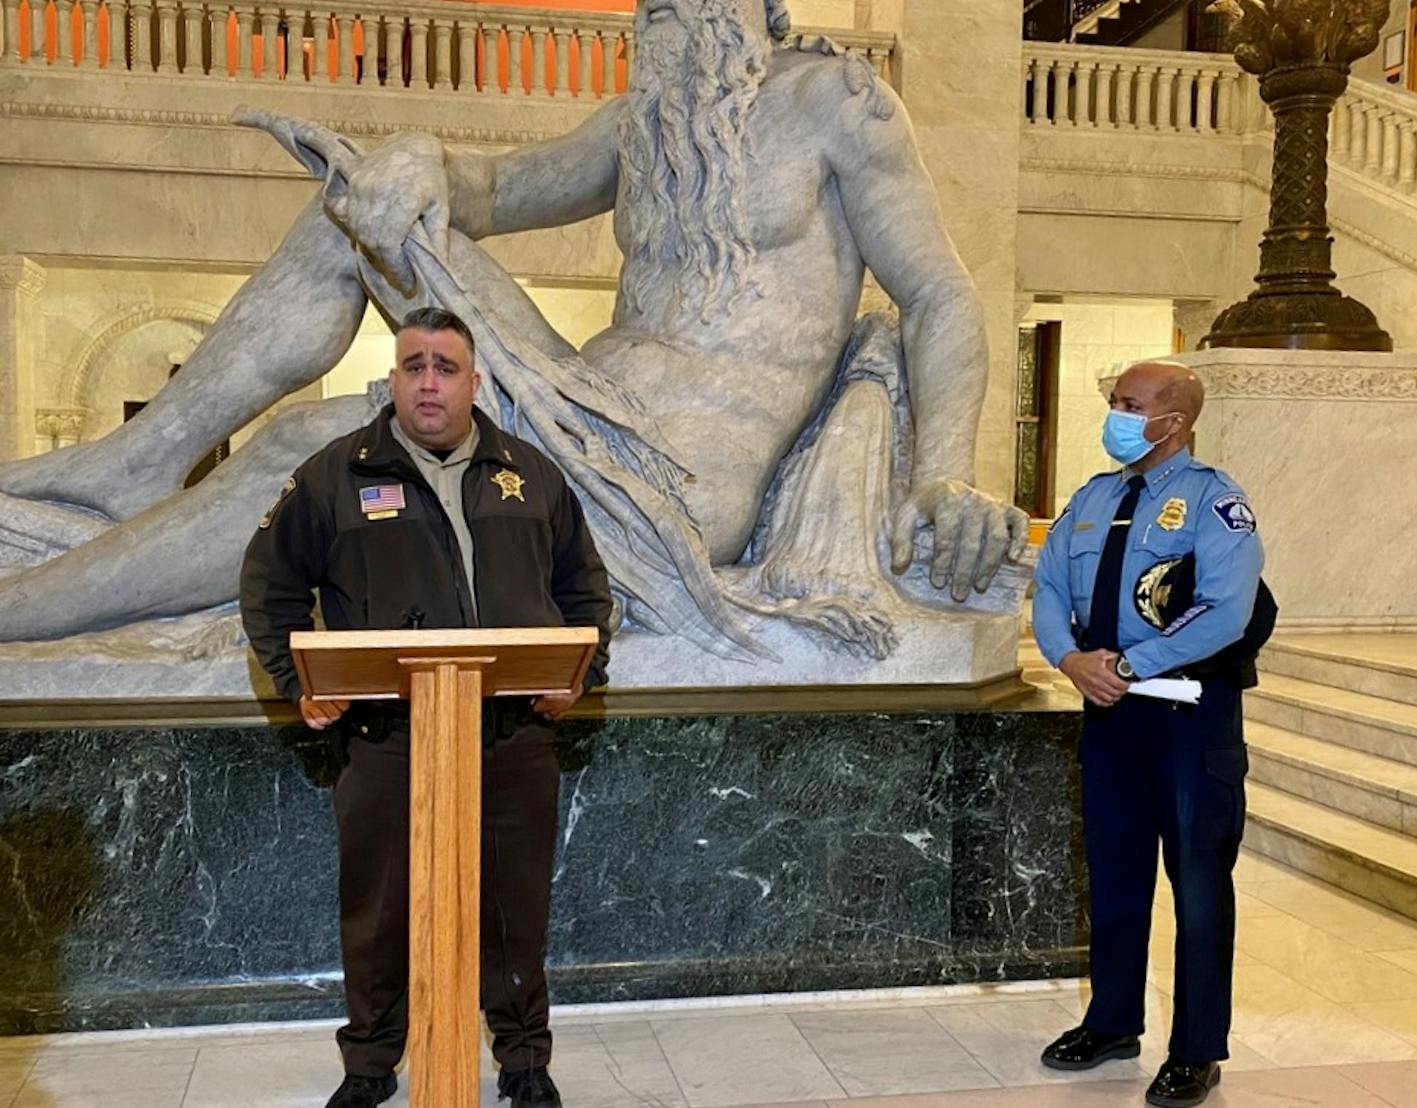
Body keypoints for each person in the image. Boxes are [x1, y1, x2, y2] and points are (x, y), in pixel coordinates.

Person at [0, 0, 1026, 651]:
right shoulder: (637, 124)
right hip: (579, 396)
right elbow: (486, 189)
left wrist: (940, 470)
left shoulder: (838, 104)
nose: (659, 19)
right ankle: (144, 457)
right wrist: (412, 154)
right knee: (358, 202)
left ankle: (18, 613)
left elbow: (938, 294)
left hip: (670, 477)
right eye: (651, 7)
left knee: (309, 452)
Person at [240, 307, 614, 1108]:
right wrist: (296, 681)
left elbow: (585, 589)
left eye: (446, 366)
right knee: (378, 915)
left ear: (476, 383)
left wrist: (581, 678)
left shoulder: (532, 477)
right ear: (393, 381)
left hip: (511, 737)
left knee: (514, 909)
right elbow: (269, 584)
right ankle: (370, 1066)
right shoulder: (335, 476)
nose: (430, 381)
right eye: (415, 365)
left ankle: (524, 1063)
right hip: (387, 740)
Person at [1031, 360, 1266, 1108]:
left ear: (1176, 420)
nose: (1117, 416)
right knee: (1115, 873)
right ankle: (1111, 1023)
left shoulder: (1213, 502)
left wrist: (1129, 663)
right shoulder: (1094, 499)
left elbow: (1228, 611)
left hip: (1190, 721)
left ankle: (1197, 1049)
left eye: (1131, 405)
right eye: (1115, 403)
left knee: (1198, 885)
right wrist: (1070, 659)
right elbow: (1045, 586)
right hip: (1111, 718)